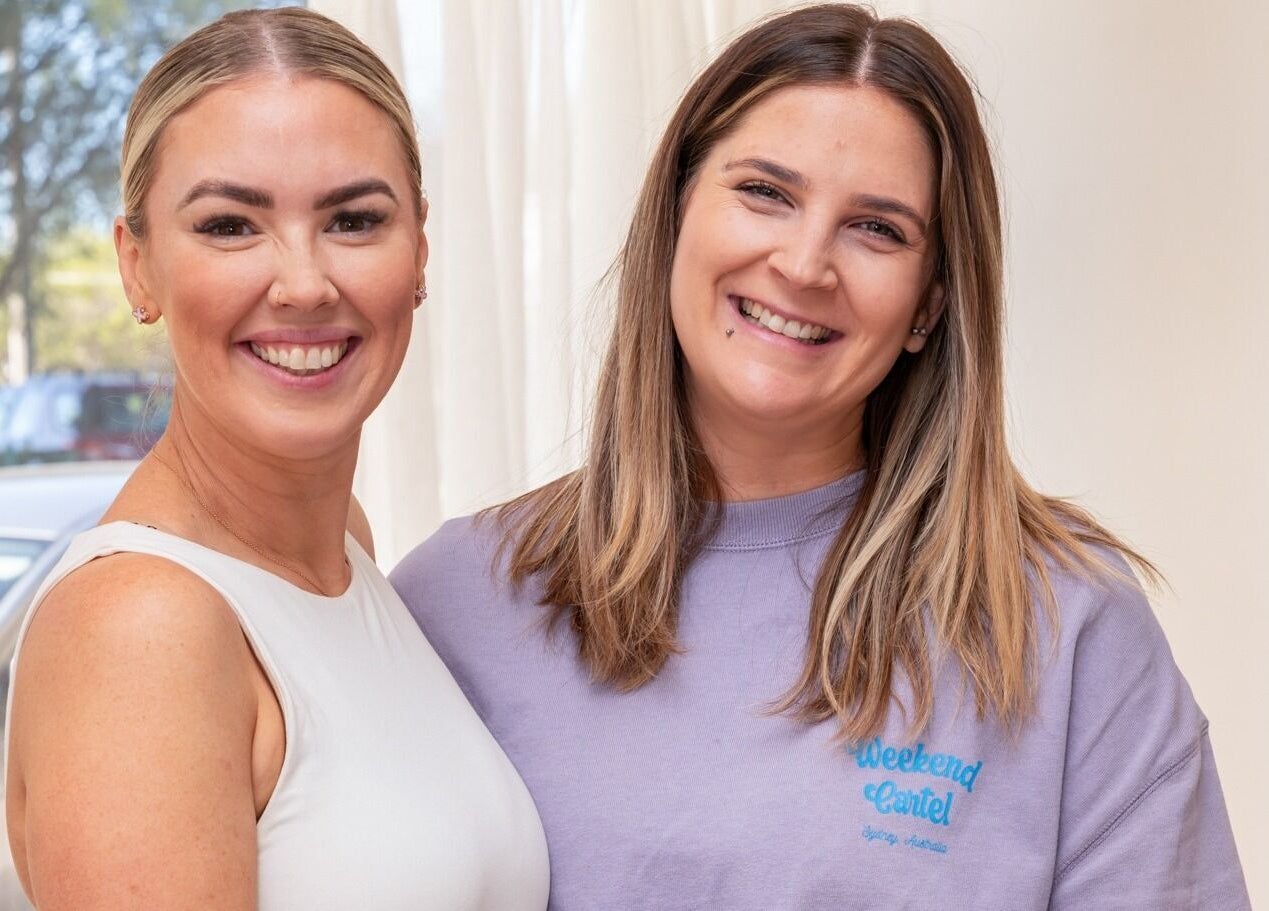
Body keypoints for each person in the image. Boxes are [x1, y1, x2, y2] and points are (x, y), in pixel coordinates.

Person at [391, 4, 1250, 908]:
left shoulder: (1063, 624)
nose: (804, 265)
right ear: (676, 213)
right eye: (765, 192)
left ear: (928, 305)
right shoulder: (458, 601)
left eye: (877, 228)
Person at [3, 9, 548, 910]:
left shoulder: (343, 545)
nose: (303, 283)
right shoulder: (141, 625)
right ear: (137, 266)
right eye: (229, 225)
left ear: (419, 248)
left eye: (354, 219)